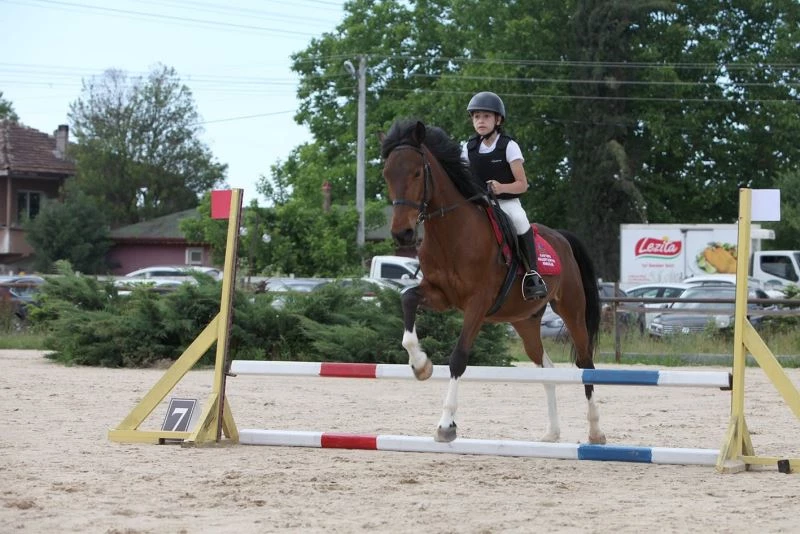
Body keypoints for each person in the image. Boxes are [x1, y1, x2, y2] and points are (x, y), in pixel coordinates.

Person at [461, 91, 547, 300]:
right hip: (479, 204)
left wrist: (501, 188)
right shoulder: (467, 147)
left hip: (506, 202)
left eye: (486, 116)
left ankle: (533, 275)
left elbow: (522, 185)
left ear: (497, 120)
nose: (480, 121)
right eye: (476, 116)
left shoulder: (509, 146)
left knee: (519, 220)